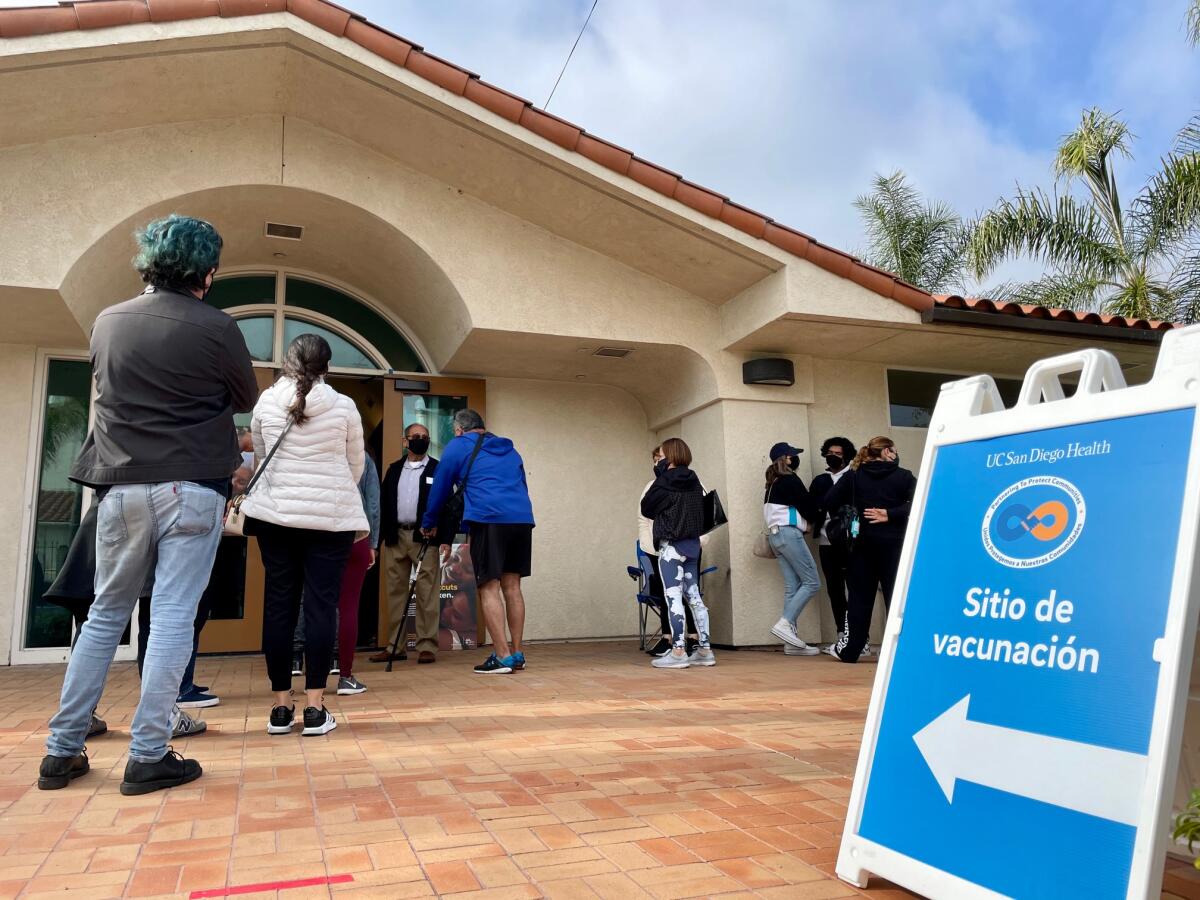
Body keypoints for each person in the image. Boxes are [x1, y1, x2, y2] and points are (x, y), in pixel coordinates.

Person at [40, 214, 258, 795]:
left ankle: (62, 750)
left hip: (119, 487)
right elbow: (245, 396)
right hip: (190, 486)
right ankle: (148, 754)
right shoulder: (218, 328)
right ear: (206, 272)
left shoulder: (108, 321)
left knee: (105, 616)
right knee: (171, 618)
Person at [241, 334, 368, 735]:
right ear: (327, 367)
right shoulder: (344, 406)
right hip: (329, 521)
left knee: (279, 607)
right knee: (320, 607)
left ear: (287, 363)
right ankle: (315, 708)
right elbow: (355, 467)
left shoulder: (265, 402)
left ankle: (281, 707)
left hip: (276, 518)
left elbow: (261, 455)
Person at [421, 409, 534, 675]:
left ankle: (502, 656)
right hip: (521, 518)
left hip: (489, 518)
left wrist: (429, 523)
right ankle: (517, 653)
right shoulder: (510, 450)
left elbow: (440, 488)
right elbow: (523, 485)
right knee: (512, 585)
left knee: (488, 586)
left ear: (459, 429)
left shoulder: (458, 446)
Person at [820, 436, 916, 663]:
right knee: (896, 598)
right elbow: (923, 501)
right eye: (894, 450)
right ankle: (900, 651)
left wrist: (850, 513)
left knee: (859, 599)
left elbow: (829, 501)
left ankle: (852, 650)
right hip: (895, 545)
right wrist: (890, 514)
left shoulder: (854, 476)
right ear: (885, 452)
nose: (895, 454)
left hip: (860, 545)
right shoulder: (904, 476)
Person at [373, 423, 451, 665]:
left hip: (425, 538)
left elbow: (449, 506)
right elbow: (383, 504)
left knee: (427, 592)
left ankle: (427, 645)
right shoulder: (394, 469)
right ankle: (394, 646)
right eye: (415, 436)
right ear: (405, 441)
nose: (420, 440)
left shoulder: (438, 469)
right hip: (397, 536)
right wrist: (378, 538)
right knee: (395, 592)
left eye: (425, 437)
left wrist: (446, 538)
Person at [640, 438, 715, 669]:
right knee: (694, 598)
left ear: (670, 457)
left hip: (671, 547)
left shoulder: (663, 481)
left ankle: (678, 651)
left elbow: (647, 508)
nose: (658, 461)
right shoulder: (695, 480)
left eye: (661, 456)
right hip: (692, 545)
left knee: (673, 597)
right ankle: (704, 650)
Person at [637, 446, 697, 656]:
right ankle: (676, 641)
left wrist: (700, 540)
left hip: (680, 546)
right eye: (654, 460)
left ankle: (685, 645)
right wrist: (649, 545)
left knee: (680, 595)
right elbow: (644, 518)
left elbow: (704, 513)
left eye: (660, 458)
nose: (657, 463)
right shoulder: (657, 484)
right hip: (664, 547)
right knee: (675, 595)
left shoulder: (689, 482)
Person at [763, 442, 822, 655]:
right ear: (786, 459)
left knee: (793, 586)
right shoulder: (789, 480)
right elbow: (808, 507)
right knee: (812, 582)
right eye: (793, 455)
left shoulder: (772, 483)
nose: (796, 458)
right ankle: (785, 623)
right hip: (789, 535)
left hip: (776, 537)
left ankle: (791, 642)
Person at [335, 452, 380, 695]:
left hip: (317, 535)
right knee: (349, 606)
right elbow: (372, 503)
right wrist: (372, 542)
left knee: (314, 605)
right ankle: (345, 675)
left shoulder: (312, 451)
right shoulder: (362, 458)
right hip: (355, 533)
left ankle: (311, 674)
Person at [810, 436, 856, 648]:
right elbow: (811, 507)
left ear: (846, 455)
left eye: (838, 454)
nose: (833, 457)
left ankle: (857, 634)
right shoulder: (820, 480)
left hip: (850, 541)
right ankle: (841, 633)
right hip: (826, 541)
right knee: (834, 589)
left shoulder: (855, 477)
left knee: (855, 587)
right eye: (830, 453)